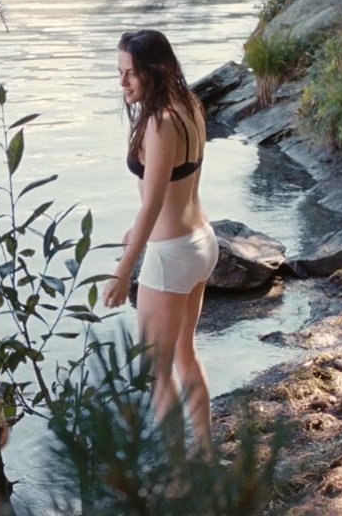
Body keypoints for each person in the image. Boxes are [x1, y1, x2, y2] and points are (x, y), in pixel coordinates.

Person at [102, 29, 218, 455]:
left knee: (156, 370)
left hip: (171, 257)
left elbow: (152, 205)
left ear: (156, 70)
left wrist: (122, 272)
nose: (123, 82)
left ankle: (176, 476)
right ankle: (205, 455)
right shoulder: (190, 105)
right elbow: (175, 189)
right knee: (184, 353)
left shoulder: (158, 122)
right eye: (120, 72)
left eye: (131, 73)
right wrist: (135, 235)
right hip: (201, 242)